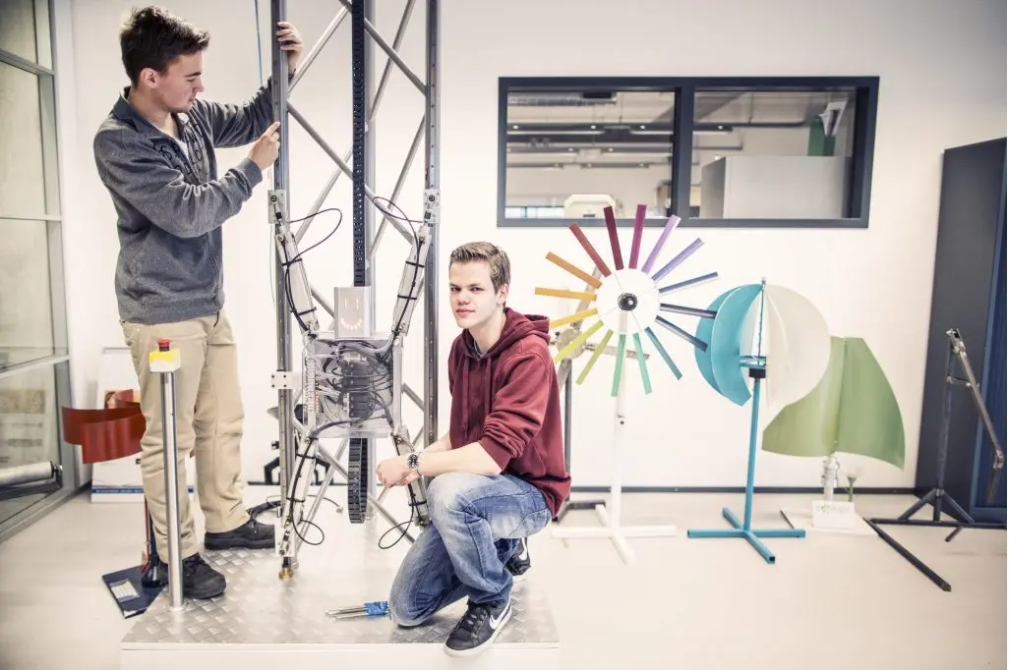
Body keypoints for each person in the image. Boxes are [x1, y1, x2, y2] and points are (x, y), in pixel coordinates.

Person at [92, 6, 304, 600]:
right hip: (162, 311)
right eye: (190, 76)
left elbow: (252, 117)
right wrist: (252, 170)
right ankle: (178, 555)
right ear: (149, 77)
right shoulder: (118, 142)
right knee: (170, 440)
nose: (201, 87)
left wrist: (286, 68)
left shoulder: (192, 116)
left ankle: (226, 520)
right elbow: (189, 214)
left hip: (208, 302)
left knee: (221, 421)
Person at [376, 242, 572, 658]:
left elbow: (488, 457)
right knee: (407, 608)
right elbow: (462, 436)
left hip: (530, 494)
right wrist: (414, 464)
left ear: (502, 293)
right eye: (455, 288)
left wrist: (415, 462)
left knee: (447, 491)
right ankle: (502, 545)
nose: (462, 298)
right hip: (480, 492)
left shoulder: (529, 357)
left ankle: (492, 597)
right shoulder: (462, 349)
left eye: (475, 289)